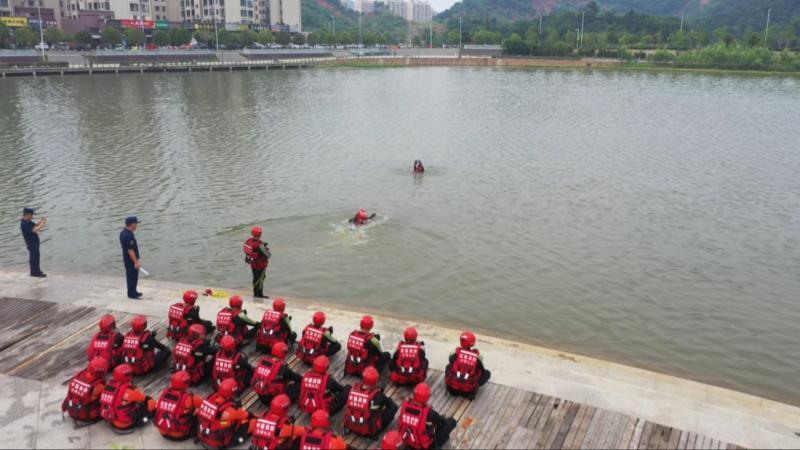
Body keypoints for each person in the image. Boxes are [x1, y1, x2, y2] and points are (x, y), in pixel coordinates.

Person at [396, 383, 457, 450]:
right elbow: (440, 421)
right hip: (423, 446)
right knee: (451, 422)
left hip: (407, 441)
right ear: (427, 397)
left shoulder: (405, 405)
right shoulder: (429, 413)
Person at [196, 378, 251, 449]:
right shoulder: (229, 409)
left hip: (203, 435)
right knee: (250, 422)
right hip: (217, 442)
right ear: (232, 393)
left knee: (223, 422)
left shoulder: (210, 398)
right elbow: (247, 415)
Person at [343, 366, 398, 438]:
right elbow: (389, 403)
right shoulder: (377, 395)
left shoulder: (353, 388)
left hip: (352, 425)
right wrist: (381, 395)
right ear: (376, 380)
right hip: (368, 430)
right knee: (394, 407)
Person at [100, 364, 155, 432]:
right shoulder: (130, 390)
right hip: (126, 423)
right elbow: (143, 398)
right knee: (151, 402)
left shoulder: (108, 386)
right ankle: (143, 420)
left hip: (113, 420)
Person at [154, 371, 202, 441]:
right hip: (179, 435)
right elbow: (205, 406)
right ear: (186, 383)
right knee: (201, 414)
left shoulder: (165, 392)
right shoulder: (191, 398)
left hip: (162, 432)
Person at [251, 342, 302, 406]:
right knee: (300, 385)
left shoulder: (263, 362)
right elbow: (298, 378)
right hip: (274, 401)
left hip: (261, 396)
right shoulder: (282, 368)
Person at [62, 357, 109, 425]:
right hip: (86, 416)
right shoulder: (98, 385)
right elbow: (93, 399)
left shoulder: (79, 375)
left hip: (71, 410)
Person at [445, 331, 491, 399]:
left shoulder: (455, 354)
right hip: (468, 393)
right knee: (487, 373)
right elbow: (482, 371)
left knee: (448, 366)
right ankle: (471, 387)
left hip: (452, 390)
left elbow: (450, 361)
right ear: (472, 343)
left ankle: (453, 383)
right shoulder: (477, 357)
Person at [244, 226, 271, 299]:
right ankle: (259, 295)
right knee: (260, 279)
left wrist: (263, 246)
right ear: (260, 234)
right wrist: (266, 249)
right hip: (260, 265)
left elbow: (252, 250)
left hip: (253, 264)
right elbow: (267, 255)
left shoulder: (249, 241)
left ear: (252, 233)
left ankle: (255, 293)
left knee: (255, 278)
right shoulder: (259, 244)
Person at [119, 216, 142, 299]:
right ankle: (132, 294)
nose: (136, 226)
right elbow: (130, 250)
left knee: (131, 276)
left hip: (127, 259)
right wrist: (136, 262)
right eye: (136, 224)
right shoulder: (129, 236)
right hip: (131, 260)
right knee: (132, 276)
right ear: (132, 224)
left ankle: (133, 291)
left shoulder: (123, 233)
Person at [20, 207, 46, 277]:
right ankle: (35, 273)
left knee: (36, 257)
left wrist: (41, 221)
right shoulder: (24, 223)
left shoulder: (28, 221)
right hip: (31, 243)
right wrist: (43, 224)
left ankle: (36, 271)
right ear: (27, 214)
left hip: (34, 242)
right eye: (31, 215)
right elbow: (34, 230)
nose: (32, 216)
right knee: (34, 257)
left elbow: (35, 225)